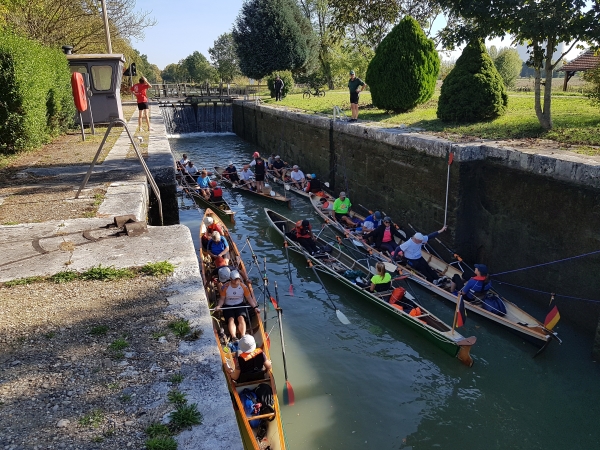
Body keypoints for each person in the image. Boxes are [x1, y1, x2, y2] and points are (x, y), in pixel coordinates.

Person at [215, 271, 260, 341]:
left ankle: (243, 336)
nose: (237, 280)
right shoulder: (225, 287)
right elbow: (222, 299)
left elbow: (249, 298)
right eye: (235, 279)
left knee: (241, 318)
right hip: (228, 306)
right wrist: (219, 306)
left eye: (238, 279)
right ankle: (233, 337)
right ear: (230, 279)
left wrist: (255, 307)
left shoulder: (243, 287)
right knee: (231, 319)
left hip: (240, 305)